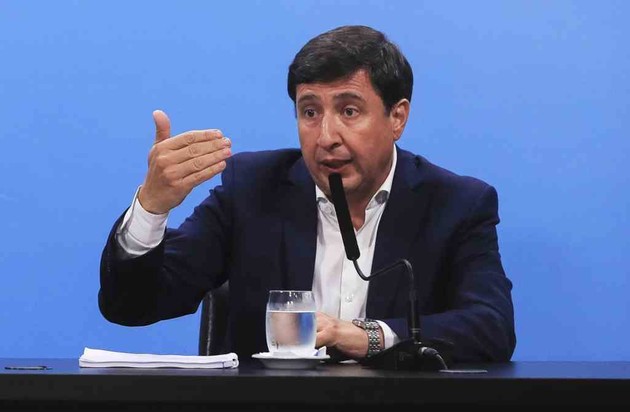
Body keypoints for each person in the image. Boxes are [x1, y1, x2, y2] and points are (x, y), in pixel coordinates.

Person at [99, 25, 516, 363]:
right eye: (310, 112)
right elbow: (131, 305)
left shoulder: (456, 204)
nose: (326, 136)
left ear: (397, 118)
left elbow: (491, 327)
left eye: (349, 111)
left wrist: (367, 336)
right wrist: (152, 207)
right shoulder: (252, 190)